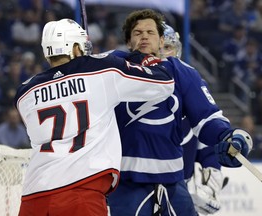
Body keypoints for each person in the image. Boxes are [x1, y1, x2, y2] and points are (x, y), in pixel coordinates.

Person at [14, 18, 175, 216]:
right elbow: (164, 83)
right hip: (81, 192)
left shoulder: (25, 93)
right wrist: (140, 57)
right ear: (74, 47)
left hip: (34, 196)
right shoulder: (103, 69)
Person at [107, 9, 253, 216]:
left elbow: (207, 119)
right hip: (126, 182)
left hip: (173, 183)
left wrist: (227, 135)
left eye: (151, 32)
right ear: (129, 42)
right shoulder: (113, 69)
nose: (144, 36)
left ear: (160, 41)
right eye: (138, 33)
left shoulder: (183, 73)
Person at [161, 23, 228, 215]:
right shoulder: (130, 85)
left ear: (177, 50)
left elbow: (207, 144)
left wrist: (210, 185)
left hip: (180, 188)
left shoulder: (191, 83)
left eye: (168, 48)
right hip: (138, 185)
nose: (164, 54)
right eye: (160, 48)